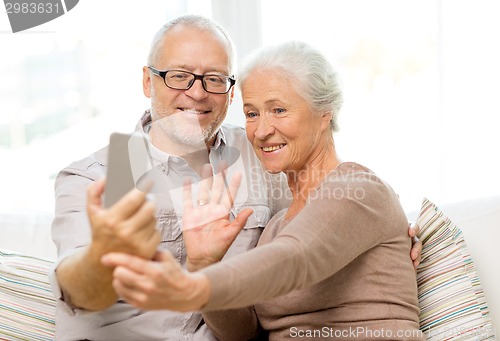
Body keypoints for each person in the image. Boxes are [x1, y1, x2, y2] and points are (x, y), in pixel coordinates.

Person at [50, 15, 421, 341]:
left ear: (228, 93)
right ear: (148, 81)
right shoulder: (101, 175)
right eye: (179, 76)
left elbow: (330, 219)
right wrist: (103, 256)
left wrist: (402, 230)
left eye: (213, 79)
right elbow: (79, 292)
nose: (196, 93)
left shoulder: (262, 156)